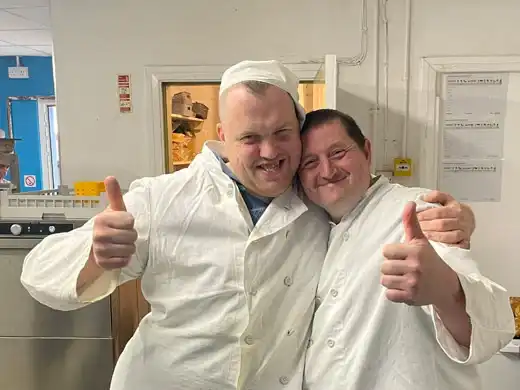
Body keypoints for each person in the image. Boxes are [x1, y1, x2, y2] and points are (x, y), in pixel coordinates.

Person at [21, 60, 475, 390]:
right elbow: (38, 274)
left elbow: (376, 199)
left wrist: (460, 217)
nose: (269, 152)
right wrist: (96, 256)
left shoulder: (316, 198)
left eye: (281, 133)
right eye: (249, 138)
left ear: (299, 127)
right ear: (221, 135)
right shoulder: (162, 199)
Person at [299, 109, 515, 390]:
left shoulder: (418, 211)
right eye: (310, 162)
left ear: (366, 150)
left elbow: (493, 328)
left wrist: (447, 290)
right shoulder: (312, 225)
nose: (327, 171)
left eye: (338, 152)